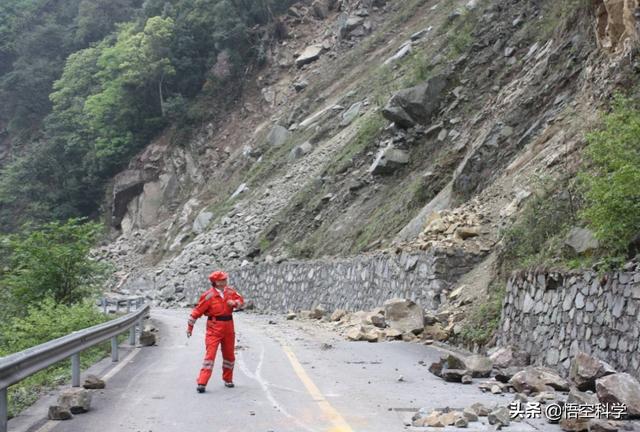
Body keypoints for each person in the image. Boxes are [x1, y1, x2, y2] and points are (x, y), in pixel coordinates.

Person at [187, 270, 244, 392]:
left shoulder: (230, 292)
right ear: (215, 282)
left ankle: (228, 379)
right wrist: (190, 327)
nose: (225, 281)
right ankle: (202, 382)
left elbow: (241, 301)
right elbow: (197, 311)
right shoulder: (208, 296)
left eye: (225, 279)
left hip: (229, 326)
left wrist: (234, 303)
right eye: (222, 280)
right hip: (214, 327)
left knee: (229, 355)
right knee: (210, 356)